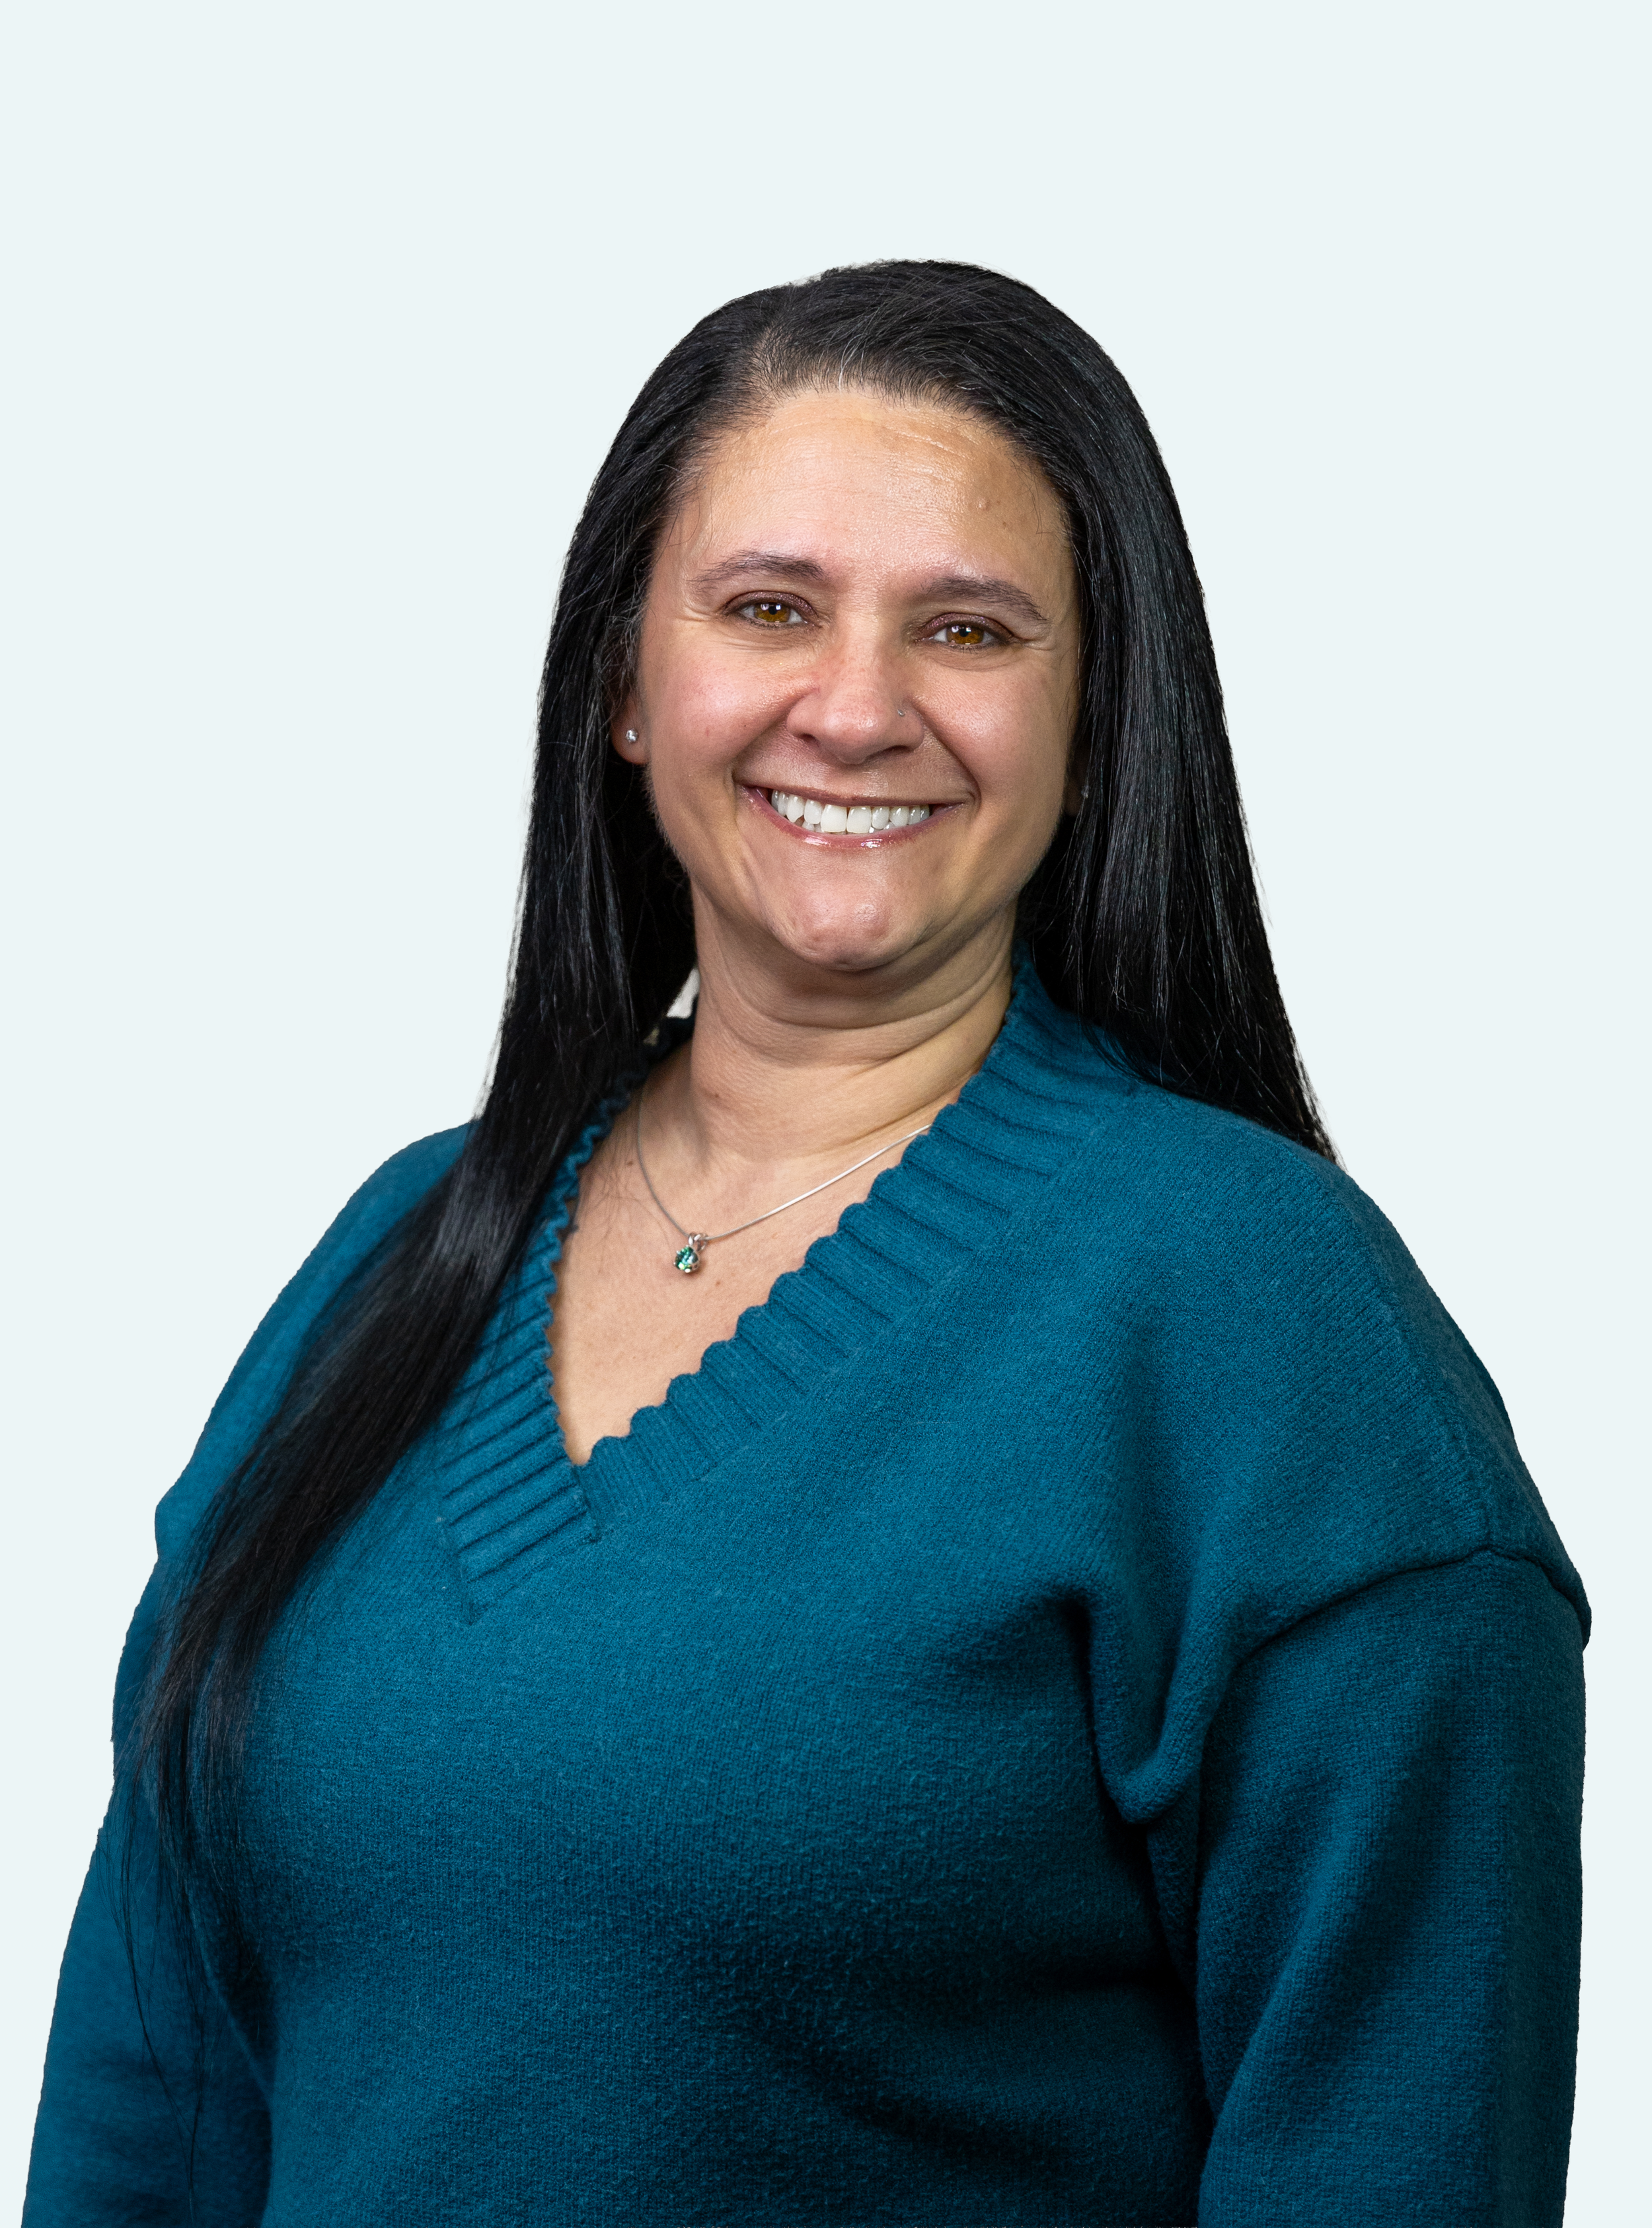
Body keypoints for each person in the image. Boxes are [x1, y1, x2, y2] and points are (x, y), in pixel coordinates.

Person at [24, 261, 1585, 2227]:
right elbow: (146, 2108)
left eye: (968, 627)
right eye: (768, 608)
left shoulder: (1268, 1336)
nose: (854, 708)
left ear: (1097, 715)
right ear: (621, 681)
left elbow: (1394, 2159)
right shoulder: (390, 1262)